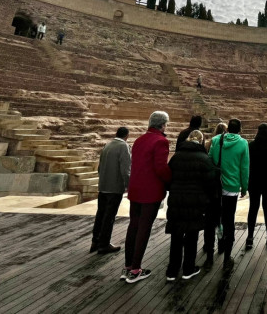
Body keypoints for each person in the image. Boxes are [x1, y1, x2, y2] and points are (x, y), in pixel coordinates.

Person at [123, 111, 172, 284]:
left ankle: (128, 266)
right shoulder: (161, 141)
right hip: (150, 192)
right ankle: (136, 270)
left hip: (135, 190)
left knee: (133, 226)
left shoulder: (139, 140)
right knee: (144, 228)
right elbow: (161, 168)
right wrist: (171, 180)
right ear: (163, 125)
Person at [165, 130, 217, 281]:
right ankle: (188, 268)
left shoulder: (176, 157)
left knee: (176, 235)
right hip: (196, 202)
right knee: (191, 234)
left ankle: (172, 271)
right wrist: (209, 200)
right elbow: (210, 183)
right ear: (201, 141)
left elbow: (169, 178)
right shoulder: (204, 158)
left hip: (176, 200)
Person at [208, 118, 249, 266]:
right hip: (231, 188)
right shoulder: (243, 143)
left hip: (216, 186)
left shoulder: (216, 139)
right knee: (228, 220)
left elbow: (210, 159)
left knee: (215, 217)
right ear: (240, 129)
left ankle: (211, 253)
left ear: (227, 129)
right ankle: (227, 256)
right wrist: (244, 188)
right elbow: (244, 168)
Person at [90, 127, 131, 255]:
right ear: (127, 136)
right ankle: (104, 244)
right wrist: (129, 185)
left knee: (101, 214)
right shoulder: (123, 146)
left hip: (103, 186)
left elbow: (100, 167)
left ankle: (95, 241)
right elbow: (125, 169)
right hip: (114, 188)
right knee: (109, 216)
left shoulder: (107, 145)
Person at [246, 123, 267, 250]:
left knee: (253, 208)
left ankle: (250, 237)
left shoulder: (250, 146)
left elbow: (246, 165)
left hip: (254, 182)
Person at [203, 121, 227, 257]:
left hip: (209, 185)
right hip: (222, 183)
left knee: (209, 217)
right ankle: (221, 242)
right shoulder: (227, 145)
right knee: (220, 217)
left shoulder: (208, 144)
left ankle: (208, 245)